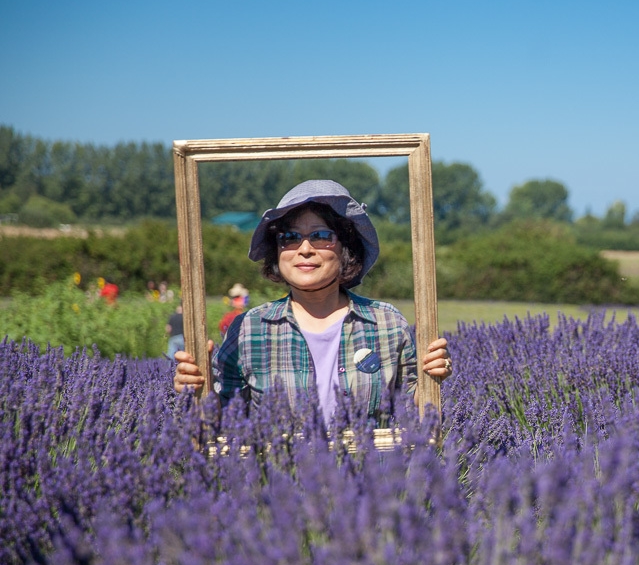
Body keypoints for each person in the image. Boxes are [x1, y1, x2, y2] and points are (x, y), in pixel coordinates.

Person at [173, 179, 451, 425]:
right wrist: (195, 390)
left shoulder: (386, 322)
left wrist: (433, 379)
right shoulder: (249, 328)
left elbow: (417, 412)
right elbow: (220, 419)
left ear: (346, 248)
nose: (304, 249)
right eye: (290, 238)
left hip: (371, 480)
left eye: (320, 236)